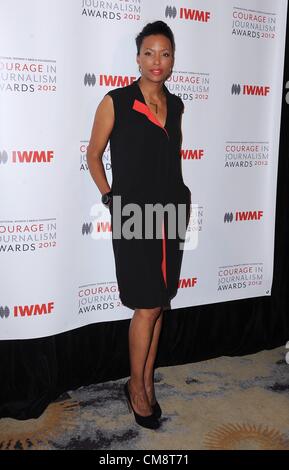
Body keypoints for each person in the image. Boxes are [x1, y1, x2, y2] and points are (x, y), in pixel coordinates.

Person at [87, 20, 191, 430]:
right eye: (149, 53)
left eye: (165, 54)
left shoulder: (178, 104)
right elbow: (94, 154)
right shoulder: (116, 101)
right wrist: (111, 197)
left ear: (172, 60)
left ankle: (147, 380)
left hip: (171, 214)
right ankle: (136, 387)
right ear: (137, 57)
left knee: (160, 303)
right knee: (145, 306)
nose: (157, 61)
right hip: (133, 216)